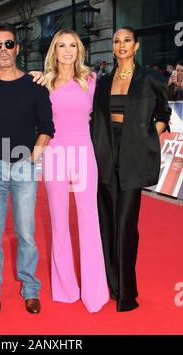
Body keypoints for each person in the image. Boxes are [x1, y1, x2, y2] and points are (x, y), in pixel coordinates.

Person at [91, 26, 171, 312]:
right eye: (117, 41)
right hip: (105, 153)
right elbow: (94, 118)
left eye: (127, 41)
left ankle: (127, 293)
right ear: (112, 47)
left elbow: (164, 112)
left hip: (134, 154)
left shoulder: (150, 78)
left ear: (136, 46)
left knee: (125, 224)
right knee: (108, 222)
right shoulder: (102, 81)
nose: (121, 45)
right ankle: (113, 286)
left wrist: (149, 136)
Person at [0, 23, 54, 314]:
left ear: (17, 48)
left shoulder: (34, 85)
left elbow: (47, 127)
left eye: (9, 44)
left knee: (26, 234)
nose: (4, 50)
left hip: (24, 166)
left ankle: (30, 288)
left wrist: (34, 155)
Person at [41, 29, 109, 312]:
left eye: (72, 45)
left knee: (89, 221)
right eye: (61, 45)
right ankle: (66, 288)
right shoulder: (43, 82)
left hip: (83, 153)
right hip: (53, 153)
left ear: (79, 50)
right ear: (54, 51)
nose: (67, 50)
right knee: (58, 222)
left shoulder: (91, 80)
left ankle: (94, 292)